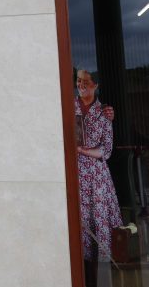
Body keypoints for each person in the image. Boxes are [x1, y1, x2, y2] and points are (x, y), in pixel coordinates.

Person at [75, 69, 121, 282]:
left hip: (95, 177)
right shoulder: (69, 107)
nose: (81, 85)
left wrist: (83, 151)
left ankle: (100, 280)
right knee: (78, 229)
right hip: (74, 174)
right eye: (78, 81)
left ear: (95, 85)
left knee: (97, 228)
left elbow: (107, 150)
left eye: (86, 81)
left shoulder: (104, 112)